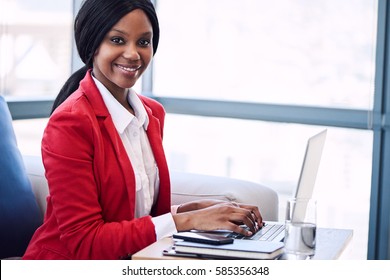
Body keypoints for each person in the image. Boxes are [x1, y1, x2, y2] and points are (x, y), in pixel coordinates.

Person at [23, 0, 263, 260]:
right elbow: (86, 241)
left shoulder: (151, 114)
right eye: (117, 40)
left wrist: (190, 211)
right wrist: (187, 220)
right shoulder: (70, 124)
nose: (133, 54)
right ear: (92, 44)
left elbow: (130, 214)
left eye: (143, 42)